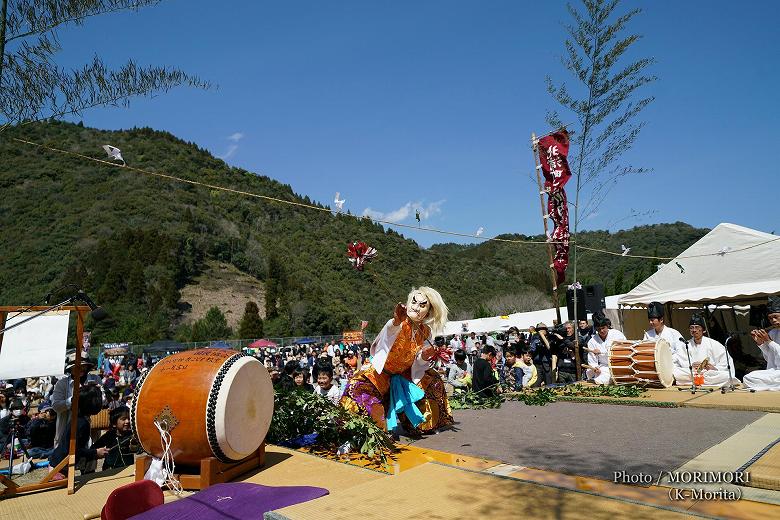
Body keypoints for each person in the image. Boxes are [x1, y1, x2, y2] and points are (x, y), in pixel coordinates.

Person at [341, 287, 453, 435]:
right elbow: (388, 334)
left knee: (433, 378)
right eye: (414, 302)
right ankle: (357, 431)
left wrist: (425, 356)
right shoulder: (398, 322)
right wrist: (395, 321)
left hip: (404, 376)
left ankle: (427, 424)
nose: (416, 307)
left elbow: (418, 361)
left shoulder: (426, 332)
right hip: (378, 374)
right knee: (357, 389)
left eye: (422, 305)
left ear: (429, 312)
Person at [49, 386, 108, 477]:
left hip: (61, 464)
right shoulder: (81, 424)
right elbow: (74, 450)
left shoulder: (80, 419)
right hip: (59, 467)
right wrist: (95, 452)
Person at [673, 314, 739, 387]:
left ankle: (699, 381)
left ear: (703, 330)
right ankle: (704, 381)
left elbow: (726, 361)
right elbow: (681, 360)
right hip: (694, 372)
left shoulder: (714, 344)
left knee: (726, 376)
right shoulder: (686, 345)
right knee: (677, 372)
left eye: (697, 327)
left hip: (710, 373)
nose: (694, 330)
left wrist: (714, 368)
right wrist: (691, 365)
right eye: (691, 328)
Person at [51, 351, 98, 449]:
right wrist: (71, 401)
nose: (80, 369)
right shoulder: (62, 384)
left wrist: (95, 393)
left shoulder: (95, 380)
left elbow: (103, 401)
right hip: (67, 427)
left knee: (89, 456)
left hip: (90, 428)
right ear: (70, 368)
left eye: (83, 366)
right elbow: (55, 406)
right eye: (75, 366)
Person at [743, 296, 780, 391]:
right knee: (749, 377)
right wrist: (761, 343)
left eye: (775, 317)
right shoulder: (773, 332)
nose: (773, 321)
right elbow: (769, 357)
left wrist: (768, 341)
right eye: (770, 318)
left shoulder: (770, 335)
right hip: (775, 372)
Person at [93, 406, 139, 470]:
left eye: (129, 419)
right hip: (110, 470)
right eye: (123, 419)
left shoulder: (132, 435)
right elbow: (94, 447)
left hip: (127, 469)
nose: (127, 421)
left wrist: (134, 444)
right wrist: (98, 452)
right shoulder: (109, 435)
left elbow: (137, 451)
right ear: (114, 423)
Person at [585, 313, 626, 385]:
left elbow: (623, 350)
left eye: (603, 328)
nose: (601, 331)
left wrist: (601, 351)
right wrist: (595, 368)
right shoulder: (592, 341)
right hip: (604, 367)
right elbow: (592, 359)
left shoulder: (617, 334)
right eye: (599, 329)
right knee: (597, 378)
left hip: (619, 364)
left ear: (607, 326)